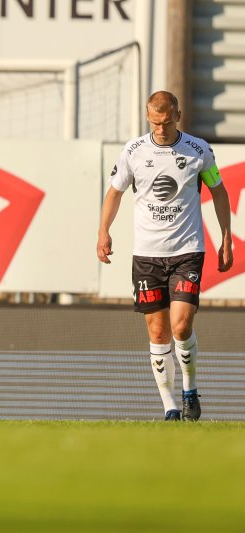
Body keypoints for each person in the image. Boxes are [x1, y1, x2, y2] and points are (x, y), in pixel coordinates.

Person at [97, 90, 233, 421]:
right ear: (148, 118)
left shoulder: (199, 150)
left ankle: (190, 388)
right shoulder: (134, 150)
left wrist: (226, 238)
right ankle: (170, 406)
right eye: (155, 122)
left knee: (181, 326)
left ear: (178, 116)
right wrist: (103, 231)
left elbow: (218, 190)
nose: (161, 128)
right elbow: (114, 192)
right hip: (147, 254)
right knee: (158, 333)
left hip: (187, 250)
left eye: (167, 121)